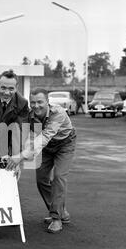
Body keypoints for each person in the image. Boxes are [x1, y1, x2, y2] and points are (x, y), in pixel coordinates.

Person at [6, 87, 76, 234]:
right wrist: (17, 156)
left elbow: (44, 137)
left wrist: (20, 157)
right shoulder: (30, 115)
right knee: (41, 179)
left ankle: (56, 218)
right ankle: (59, 211)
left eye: (40, 102)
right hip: (46, 147)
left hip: (64, 144)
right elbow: (25, 136)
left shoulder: (58, 113)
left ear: (47, 102)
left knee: (59, 176)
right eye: (33, 102)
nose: (36, 106)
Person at [0, 69, 29, 163]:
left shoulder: (22, 103)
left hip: (8, 138)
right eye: (3, 88)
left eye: (11, 89)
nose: (7, 93)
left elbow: (18, 131)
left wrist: (12, 155)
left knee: (9, 167)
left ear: (16, 88)